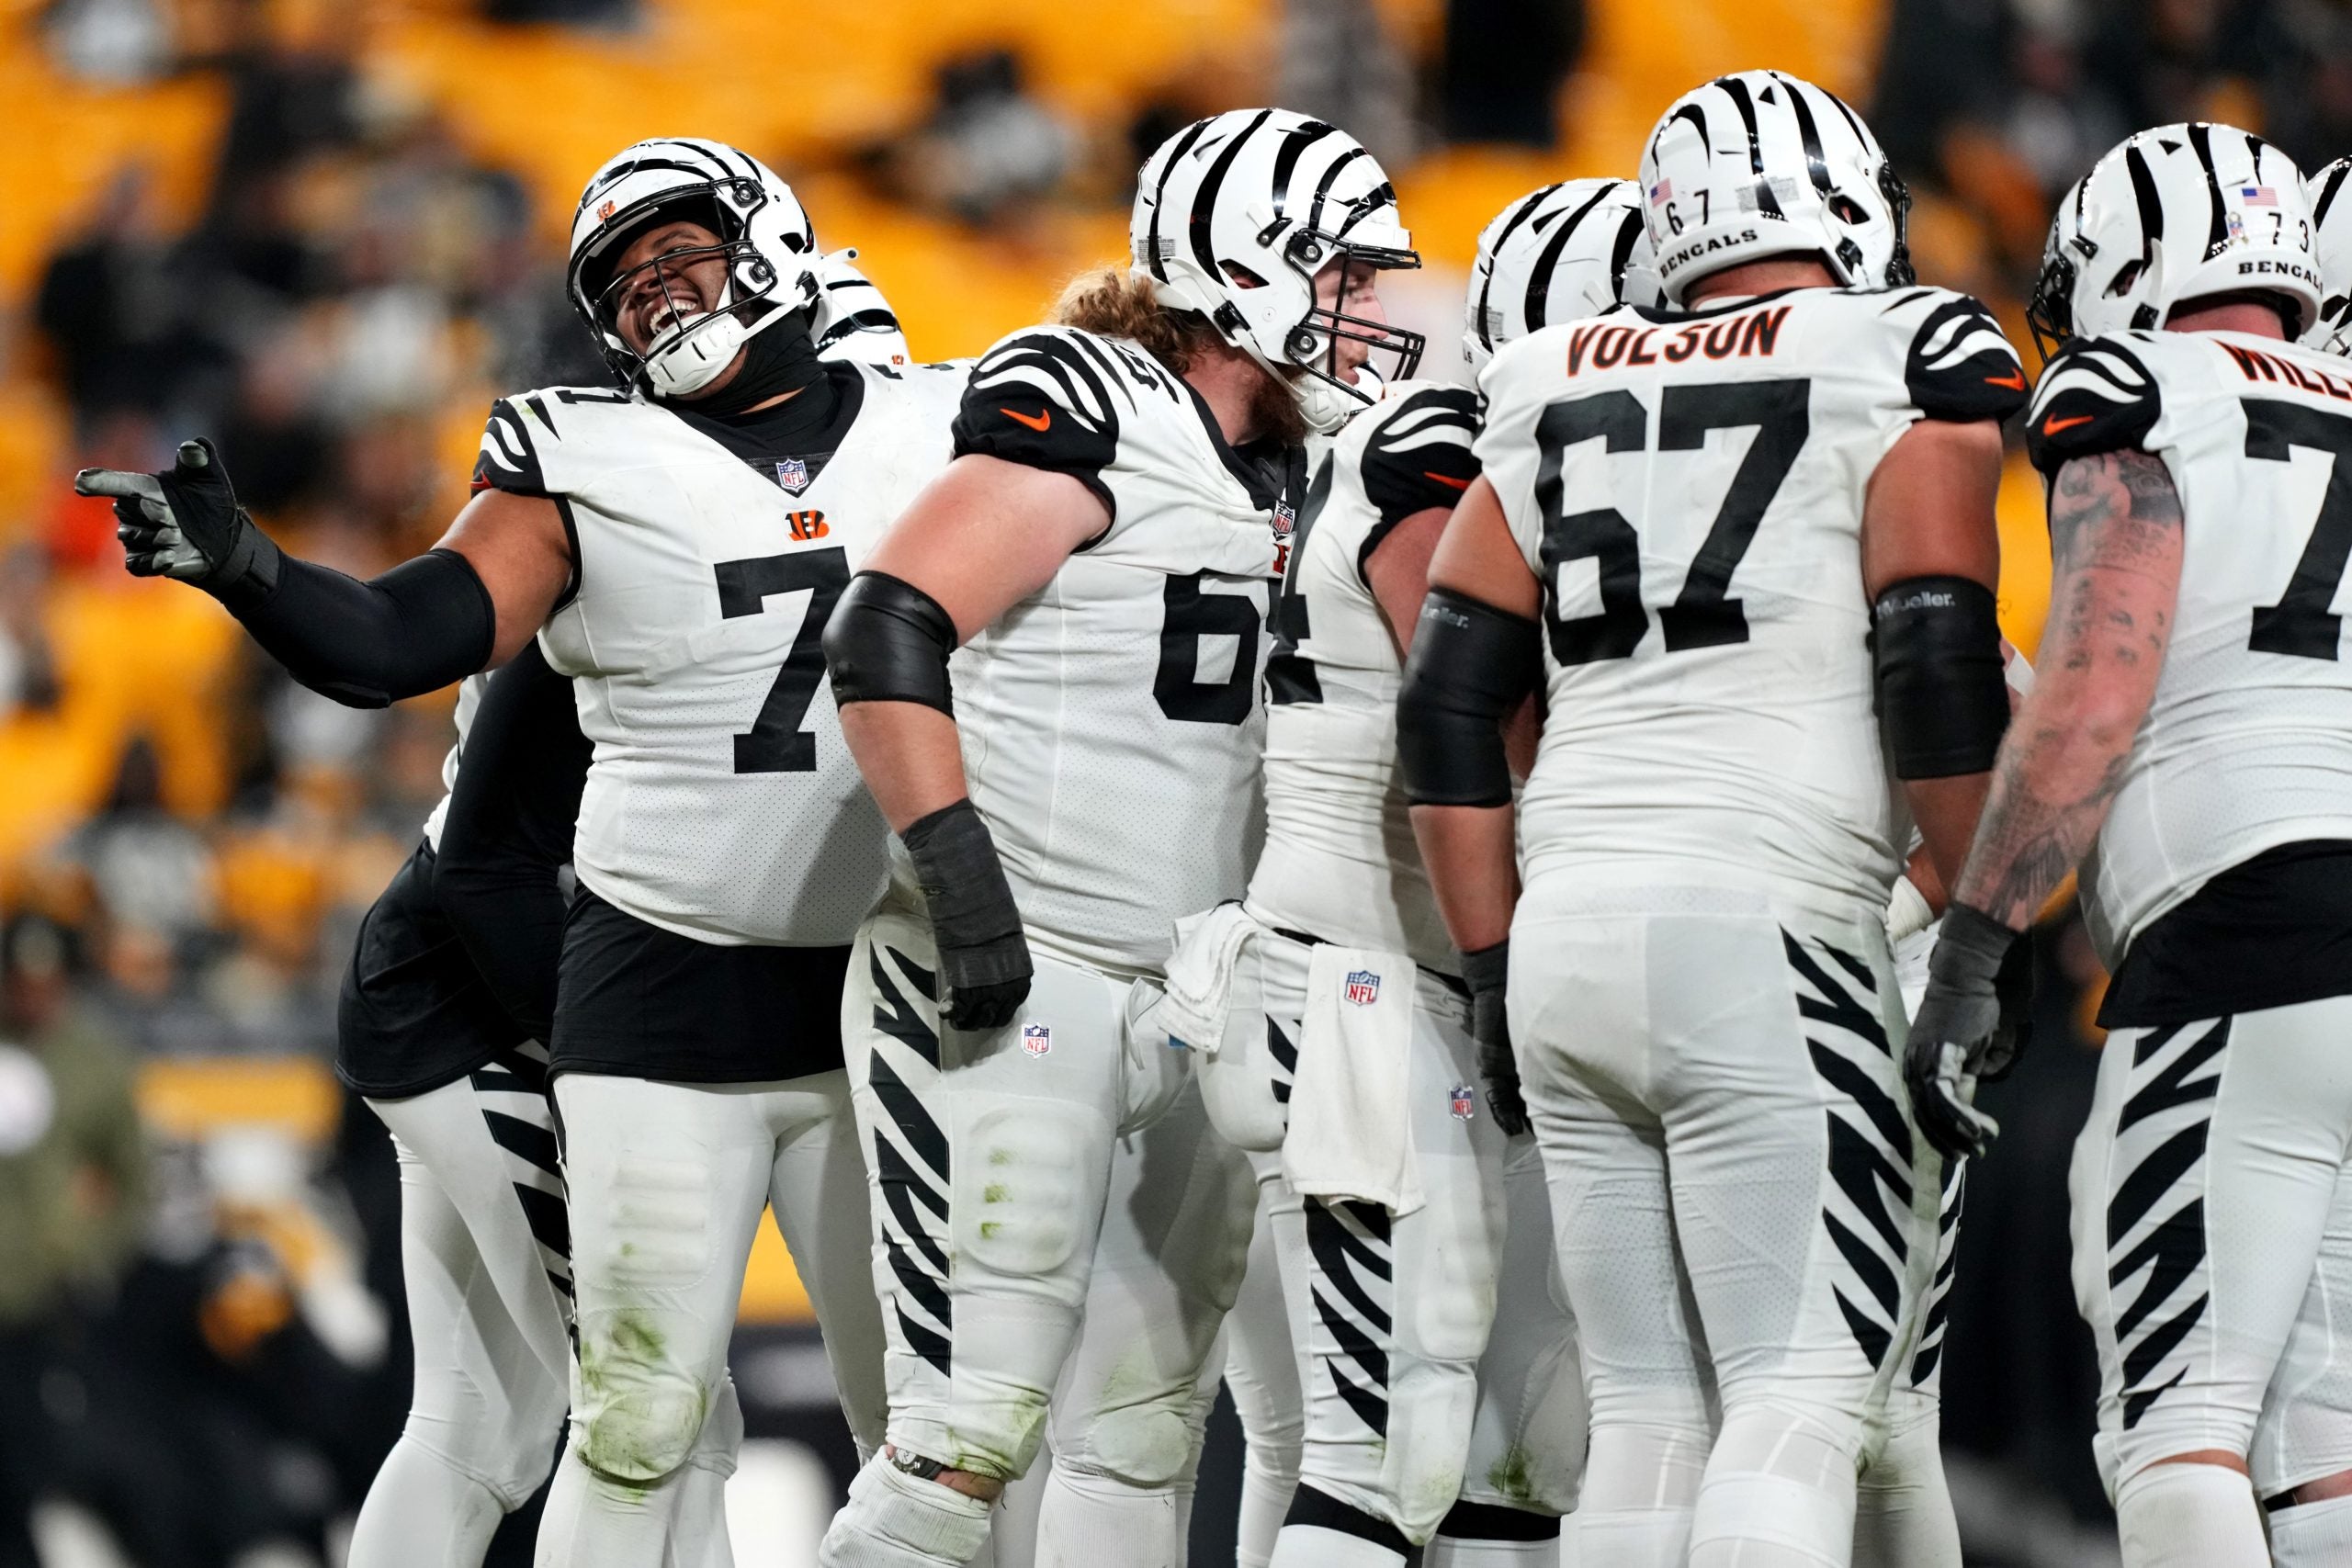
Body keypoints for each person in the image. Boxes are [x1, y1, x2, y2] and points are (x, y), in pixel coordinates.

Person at [74, 137, 965, 1567]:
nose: (663, 301)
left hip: (664, 974)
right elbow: (477, 833)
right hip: (495, 984)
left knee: (488, 1421)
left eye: (685, 259)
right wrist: (622, 1071)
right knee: (659, 1413)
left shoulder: (920, 451)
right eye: (631, 281)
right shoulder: (618, 516)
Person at [1400, 70, 2028, 1566]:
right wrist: (1984, 919)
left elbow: (1448, 704)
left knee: (1646, 1412)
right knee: (1801, 1394)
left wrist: (1490, 968)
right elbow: (1935, 659)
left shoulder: (1547, 373)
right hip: (1772, 930)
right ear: (1847, 204)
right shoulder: (1900, 349)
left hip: (1566, 936)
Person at [817, 107, 1424, 1568]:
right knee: (960, 1446)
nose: (1368, 311)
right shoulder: (1101, 406)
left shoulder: (1316, 469)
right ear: (1246, 271)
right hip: (1019, 972)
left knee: (1144, 1437)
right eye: (1342, 273)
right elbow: (887, 628)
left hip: (1200, 994)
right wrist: (965, 894)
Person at [1168, 175, 1647, 1568]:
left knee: (1505, 1448)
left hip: (1384, 986)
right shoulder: (1439, 452)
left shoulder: (1428, 444)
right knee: (1381, 1461)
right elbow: (1483, 710)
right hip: (1370, 990)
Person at [1910, 122, 2352, 1568]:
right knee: (2323, 1454)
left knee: (2175, 1424)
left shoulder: (2140, 386)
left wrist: (1981, 938)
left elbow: (2102, 678)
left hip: (2247, 930)